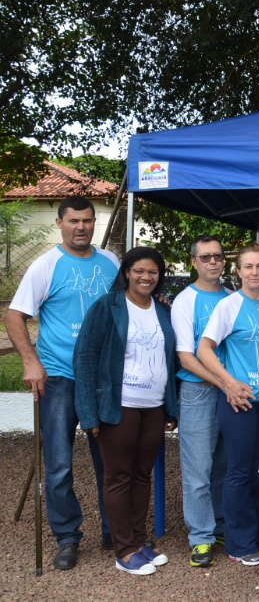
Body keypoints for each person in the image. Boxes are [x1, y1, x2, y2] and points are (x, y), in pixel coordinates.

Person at [6, 195, 118, 569]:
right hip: (59, 377)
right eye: (74, 221)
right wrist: (30, 362)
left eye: (87, 220)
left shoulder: (111, 262)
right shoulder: (46, 265)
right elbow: (15, 316)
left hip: (102, 379)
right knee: (58, 463)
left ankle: (112, 529)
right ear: (60, 223)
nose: (82, 227)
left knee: (109, 460)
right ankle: (67, 536)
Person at [73, 246, 178, 575]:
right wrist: (88, 414)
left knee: (141, 475)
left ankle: (138, 540)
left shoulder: (162, 311)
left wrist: (170, 410)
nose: (147, 277)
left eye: (153, 272)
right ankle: (124, 550)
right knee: (118, 477)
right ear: (127, 273)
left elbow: (169, 360)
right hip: (118, 407)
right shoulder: (108, 307)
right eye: (140, 271)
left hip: (154, 407)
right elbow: (86, 359)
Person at [198, 243, 259, 566]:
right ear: (237, 271)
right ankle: (239, 544)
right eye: (248, 267)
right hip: (239, 401)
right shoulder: (228, 306)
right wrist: (228, 383)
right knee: (238, 472)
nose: (255, 272)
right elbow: (204, 350)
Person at [170, 235, 231, 567]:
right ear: (193, 261)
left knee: (224, 463)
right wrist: (224, 382)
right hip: (198, 391)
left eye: (218, 256)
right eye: (205, 257)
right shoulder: (185, 301)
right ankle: (201, 537)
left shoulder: (234, 298)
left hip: (231, 391)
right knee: (197, 468)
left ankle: (219, 523)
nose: (212, 262)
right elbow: (186, 357)